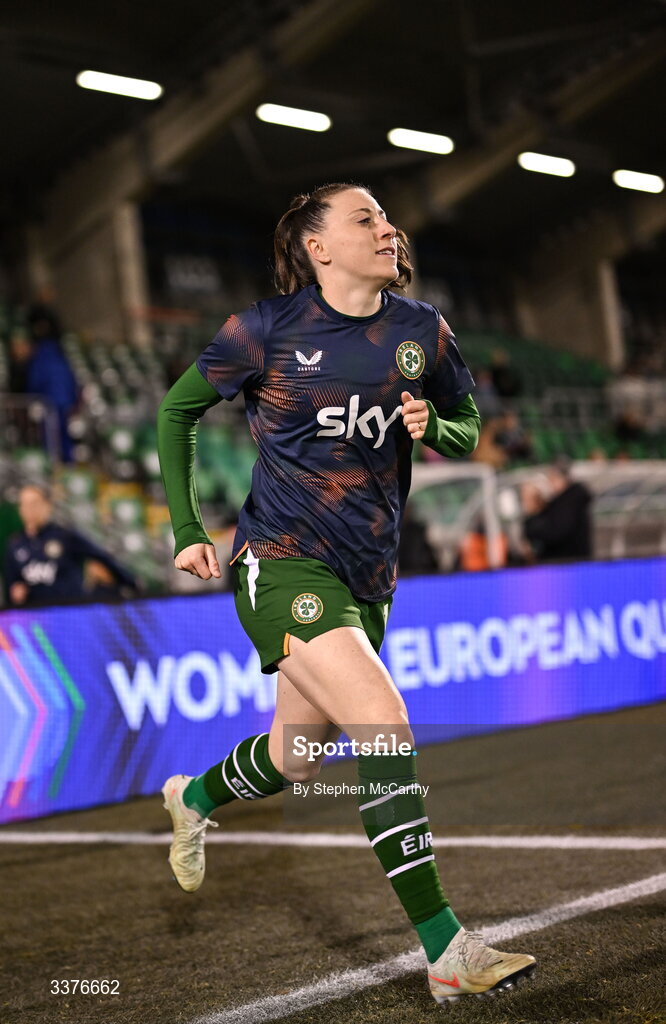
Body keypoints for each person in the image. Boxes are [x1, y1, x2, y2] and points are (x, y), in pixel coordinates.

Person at [157, 182, 535, 1005]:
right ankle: (446, 950)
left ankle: (193, 796)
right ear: (319, 248)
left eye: (387, 216)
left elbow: (469, 425)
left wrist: (434, 430)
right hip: (280, 559)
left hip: (369, 576)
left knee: (296, 757)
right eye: (365, 218)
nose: (388, 226)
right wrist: (187, 526)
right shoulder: (263, 330)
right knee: (382, 718)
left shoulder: (422, 331)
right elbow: (177, 413)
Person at [4, 484, 137, 606]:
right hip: (34, 617)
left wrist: (129, 582)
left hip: (68, 614)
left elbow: (101, 555)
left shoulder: (65, 535)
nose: (29, 509)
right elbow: (11, 585)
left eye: (34, 504)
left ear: (47, 505)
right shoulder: (15, 545)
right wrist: (15, 592)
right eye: (24, 504)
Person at [522, 458, 592, 562]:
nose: (549, 482)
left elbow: (555, 533)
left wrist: (532, 518)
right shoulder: (562, 502)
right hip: (567, 564)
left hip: (569, 565)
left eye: (552, 478)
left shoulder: (570, 502)